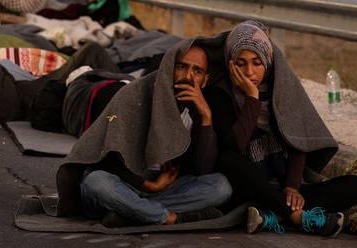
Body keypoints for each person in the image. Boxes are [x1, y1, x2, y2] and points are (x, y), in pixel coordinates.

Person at [206, 21, 357, 237]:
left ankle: (271, 214)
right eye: (241, 64)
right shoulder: (220, 94)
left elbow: (298, 139)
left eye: (256, 63)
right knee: (228, 158)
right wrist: (252, 98)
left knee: (354, 185)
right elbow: (236, 144)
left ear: (268, 62)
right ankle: (295, 216)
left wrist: (292, 187)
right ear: (230, 63)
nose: (249, 72)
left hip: (281, 186)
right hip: (245, 188)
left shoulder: (281, 90)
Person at [55, 40, 232, 227]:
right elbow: (106, 159)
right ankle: (169, 218)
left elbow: (203, 168)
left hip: (166, 190)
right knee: (96, 182)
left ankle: (130, 213)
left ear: (205, 80)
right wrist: (148, 185)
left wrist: (206, 117)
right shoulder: (136, 94)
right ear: (169, 68)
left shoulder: (199, 109)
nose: (188, 76)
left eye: (197, 71)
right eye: (181, 67)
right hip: (125, 185)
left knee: (221, 186)